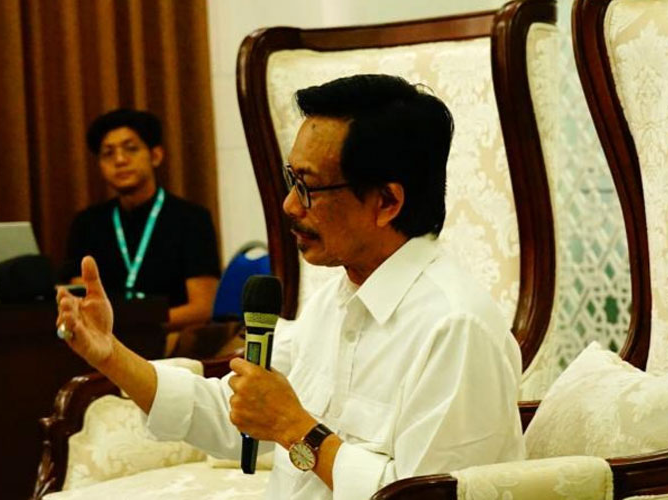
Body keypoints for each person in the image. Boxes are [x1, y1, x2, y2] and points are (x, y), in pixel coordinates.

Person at [56, 75, 525, 499]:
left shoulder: (453, 328)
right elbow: (234, 412)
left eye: (308, 188)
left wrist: (295, 427)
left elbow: (427, 498)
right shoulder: (336, 301)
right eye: (290, 180)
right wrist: (110, 354)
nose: (288, 206)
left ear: (386, 202)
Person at [61, 109, 220, 331]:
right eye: (108, 153)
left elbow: (202, 309)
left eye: (131, 149)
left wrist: (135, 326)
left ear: (156, 156)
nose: (120, 160)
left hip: (170, 339)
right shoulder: (86, 224)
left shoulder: (192, 219)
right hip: (108, 341)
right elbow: (80, 299)